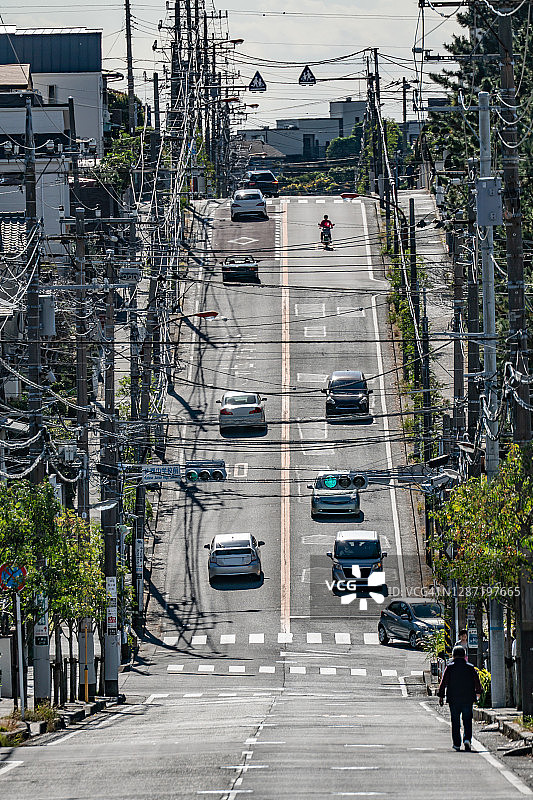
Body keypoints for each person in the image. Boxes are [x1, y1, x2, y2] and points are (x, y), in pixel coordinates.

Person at [438, 645, 482, 751]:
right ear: (464, 655)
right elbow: (477, 681)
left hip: (453, 699)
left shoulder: (450, 667)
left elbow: (443, 682)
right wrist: (478, 692)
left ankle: (457, 743)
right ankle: (467, 739)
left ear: (453, 655)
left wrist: (441, 696)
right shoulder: (470, 667)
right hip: (468, 698)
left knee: (455, 721)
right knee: (467, 720)